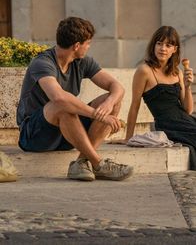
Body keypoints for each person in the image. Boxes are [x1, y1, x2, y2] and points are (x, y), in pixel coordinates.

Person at [17, 16, 133, 181]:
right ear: (77, 46)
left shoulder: (82, 62)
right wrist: (99, 115)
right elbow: (59, 98)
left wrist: (108, 104)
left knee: (112, 100)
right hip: (34, 136)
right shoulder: (42, 63)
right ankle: (99, 164)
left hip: (68, 132)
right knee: (63, 105)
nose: (89, 47)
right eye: (88, 43)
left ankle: (80, 162)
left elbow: (117, 87)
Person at [117, 25, 196, 171]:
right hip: (168, 125)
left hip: (186, 120)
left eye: (168, 45)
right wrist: (129, 137)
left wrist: (188, 86)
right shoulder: (144, 71)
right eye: (159, 43)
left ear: (175, 49)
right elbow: (134, 106)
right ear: (153, 46)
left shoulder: (177, 72)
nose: (163, 48)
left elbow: (188, 110)